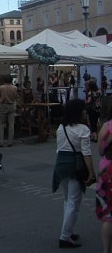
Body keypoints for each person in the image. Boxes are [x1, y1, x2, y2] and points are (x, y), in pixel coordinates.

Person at [52, 98, 96, 248]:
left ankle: (68, 231)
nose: (85, 111)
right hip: (75, 166)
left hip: (61, 165)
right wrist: (91, 172)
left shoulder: (60, 128)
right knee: (74, 202)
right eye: (83, 109)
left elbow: (59, 148)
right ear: (78, 112)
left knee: (67, 200)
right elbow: (86, 153)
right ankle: (65, 236)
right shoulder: (83, 130)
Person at [96, 105, 112, 253]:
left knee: (108, 216)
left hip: (107, 169)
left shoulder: (106, 127)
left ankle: (106, 250)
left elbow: (100, 151)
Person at [0, 74, 18, 147]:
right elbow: (16, 96)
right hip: (12, 106)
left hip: (3, 106)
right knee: (11, 125)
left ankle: (1, 142)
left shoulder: (1, 87)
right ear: (11, 80)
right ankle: (10, 142)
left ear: (4, 80)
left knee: (1, 124)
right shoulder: (14, 87)